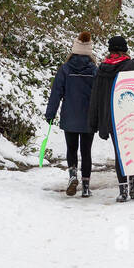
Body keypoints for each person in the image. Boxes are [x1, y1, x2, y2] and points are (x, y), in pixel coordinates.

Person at [88, 35, 134, 203]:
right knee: (132, 150)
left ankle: (123, 190)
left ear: (110, 49)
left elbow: (96, 96)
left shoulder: (103, 69)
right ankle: (133, 185)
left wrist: (94, 121)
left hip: (111, 117)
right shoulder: (133, 66)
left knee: (120, 153)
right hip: (130, 115)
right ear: (125, 48)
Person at [44, 31, 97, 197]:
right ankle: (86, 186)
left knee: (72, 149)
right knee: (86, 151)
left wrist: (50, 113)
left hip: (70, 117)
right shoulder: (94, 70)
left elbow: (56, 93)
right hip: (89, 118)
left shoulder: (65, 69)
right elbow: (100, 95)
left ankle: (73, 175)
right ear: (89, 51)